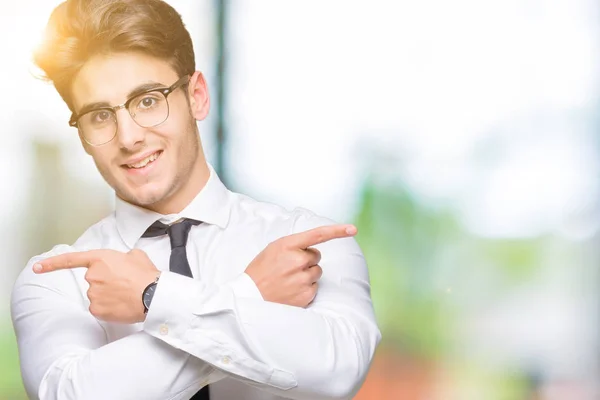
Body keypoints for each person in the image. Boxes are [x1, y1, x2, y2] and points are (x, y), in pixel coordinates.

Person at [10, 0, 381, 399]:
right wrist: (248, 294)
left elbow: (338, 368)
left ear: (198, 96)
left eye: (148, 100)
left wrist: (156, 297)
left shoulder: (307, 242)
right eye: (100, 115)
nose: (129, 137)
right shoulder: (56, 278)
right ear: (82, 133)